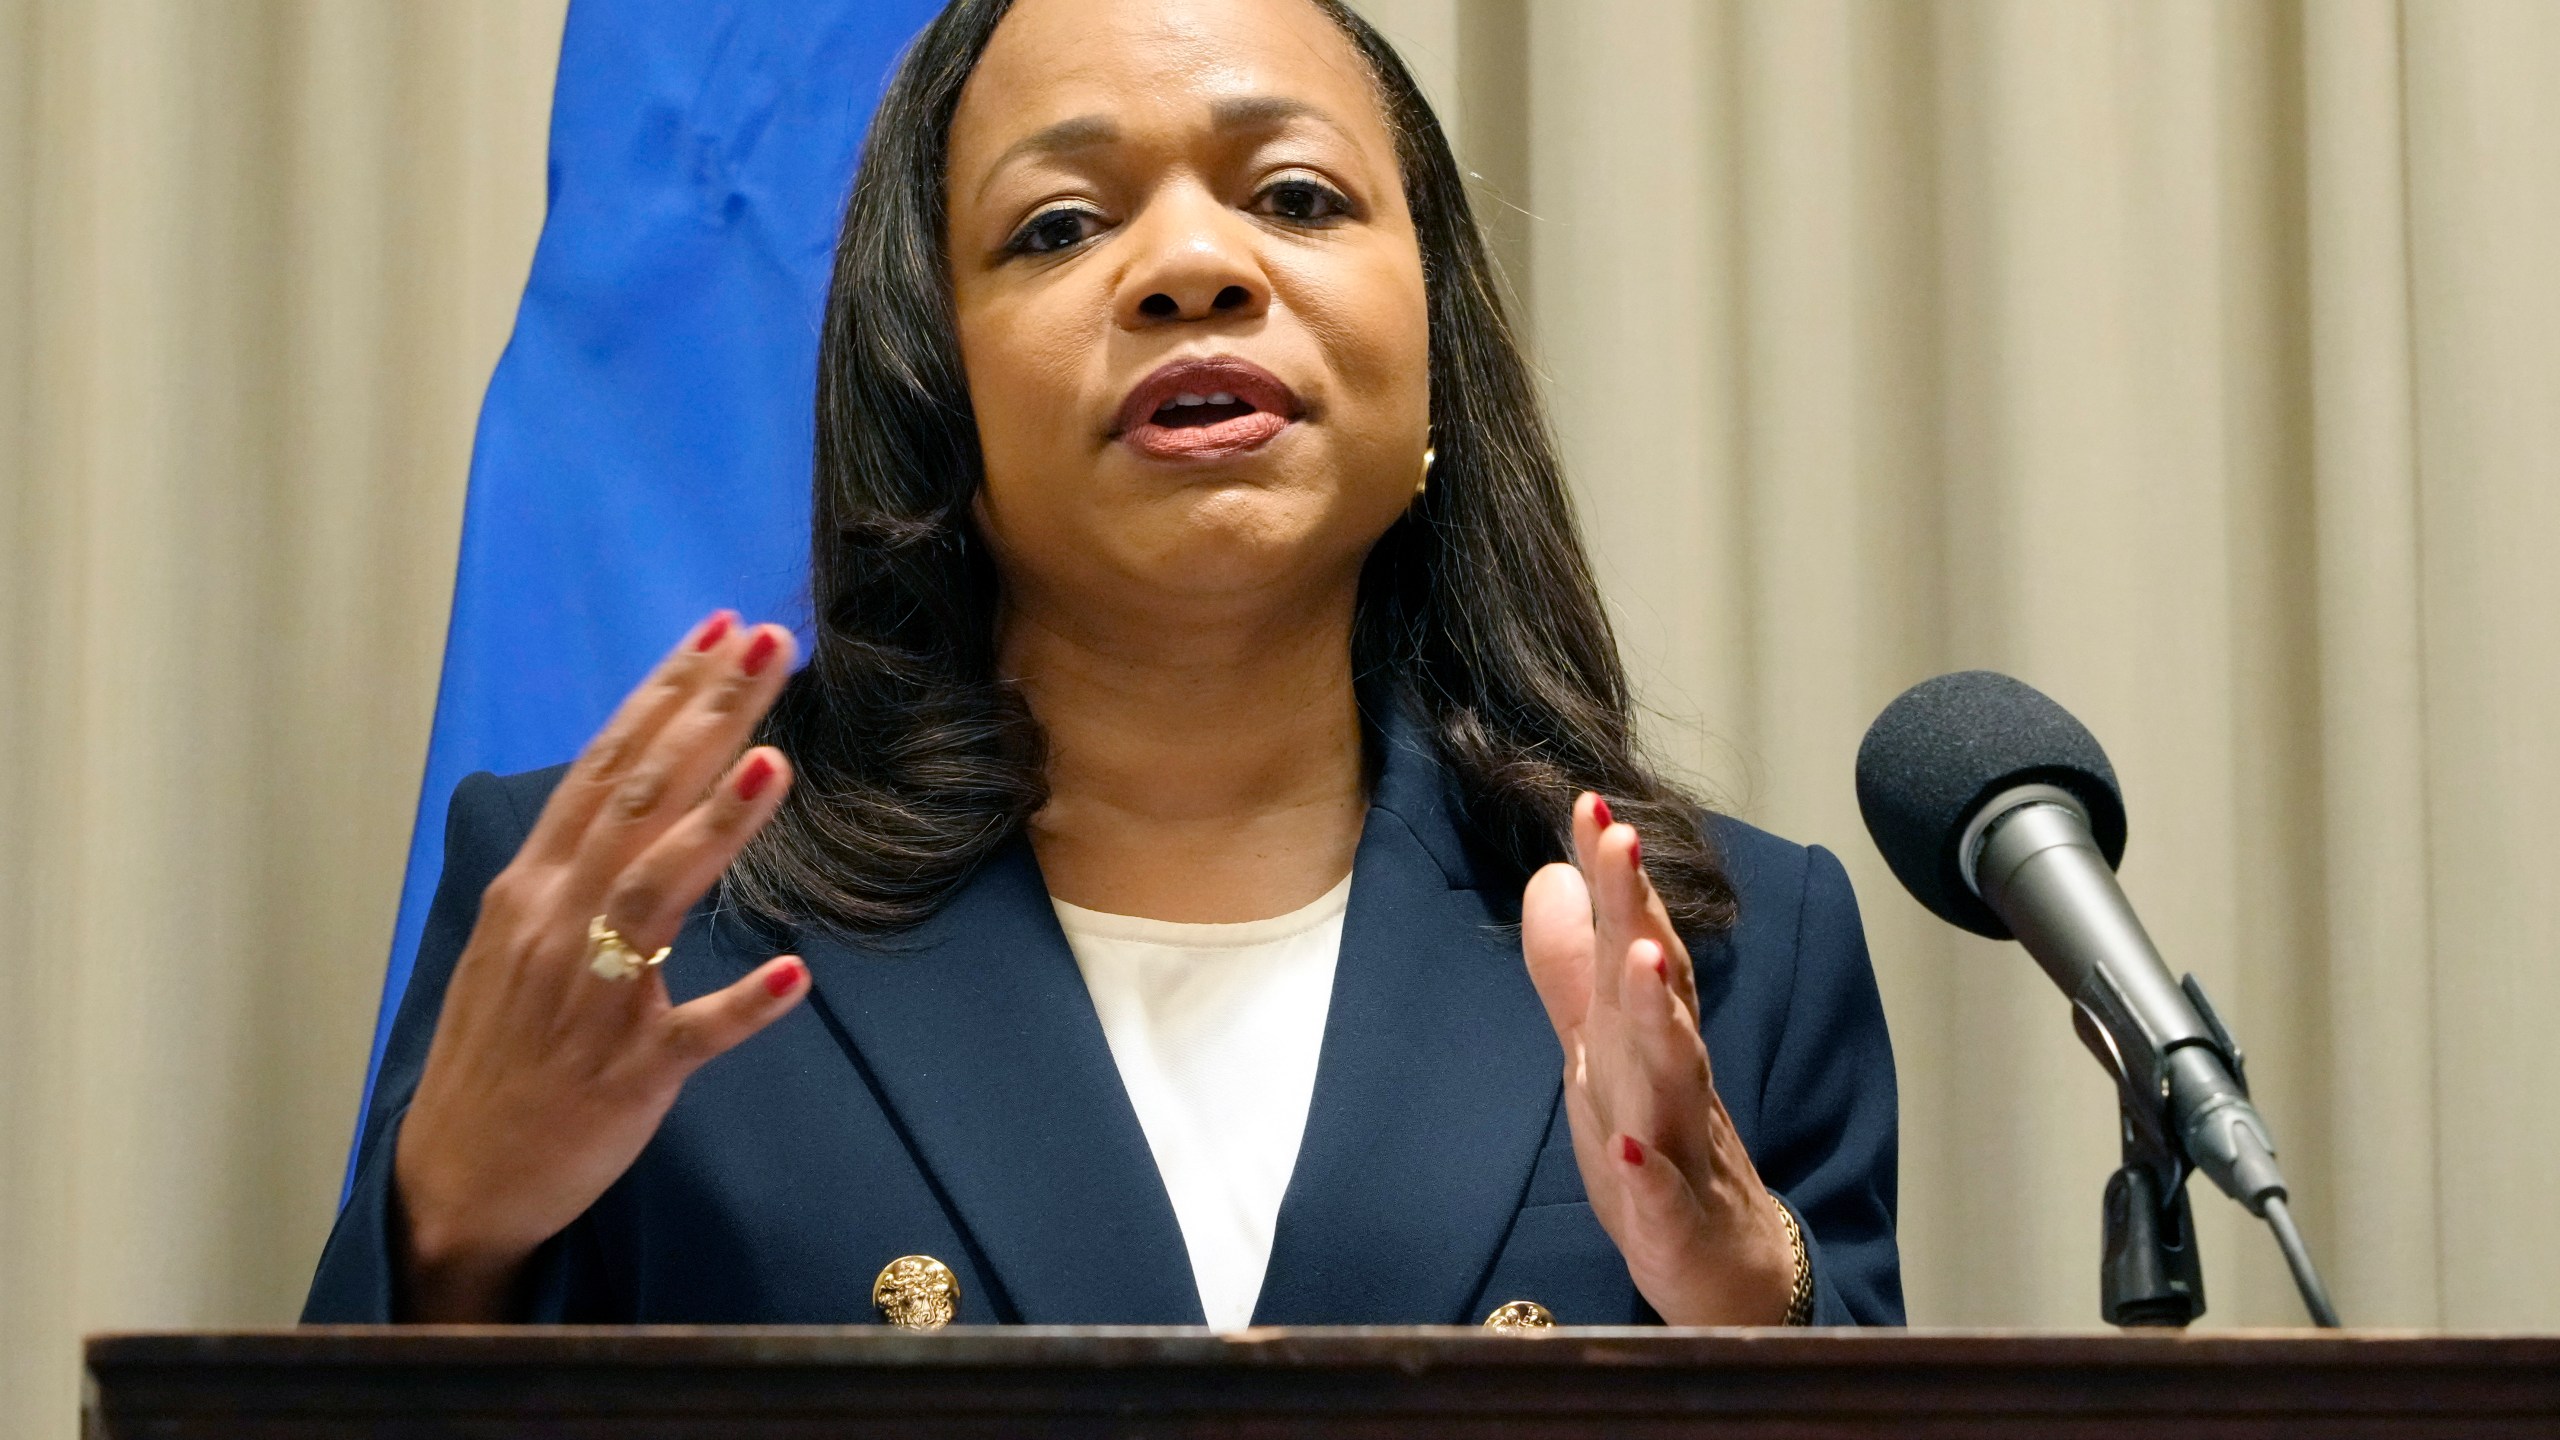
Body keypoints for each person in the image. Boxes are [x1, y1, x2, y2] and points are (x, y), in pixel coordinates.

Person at [305, 0, 1902, 1330]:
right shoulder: (643, 932)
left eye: (1296, 197)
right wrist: (449, 1231)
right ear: (937, 387)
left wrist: (1754, 1301)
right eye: (1060, 226)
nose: (1192, 269)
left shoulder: (1724, 959)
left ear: (1436, 362)